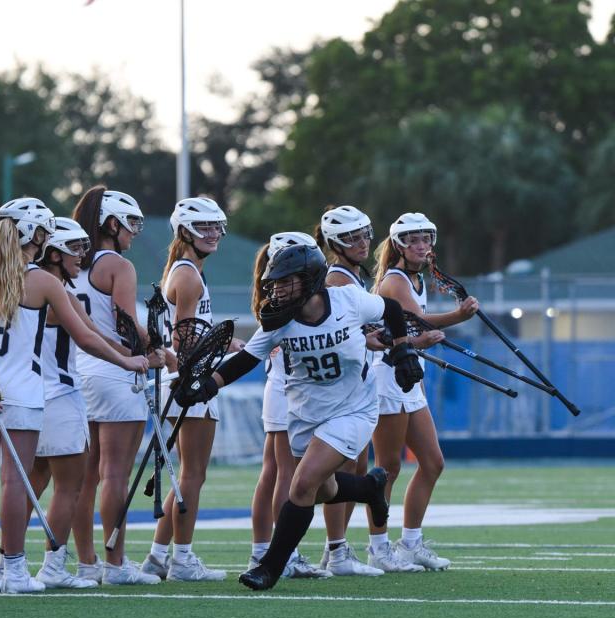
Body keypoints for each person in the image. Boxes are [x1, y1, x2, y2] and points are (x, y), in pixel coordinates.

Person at [175, 240, 424, 591]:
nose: (276, 289)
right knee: (322, 488)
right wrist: (207, 385)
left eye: (284, 281)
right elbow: (246, 360)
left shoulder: (347, 301)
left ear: (309, 278)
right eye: (273, 283)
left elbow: (393, 309)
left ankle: (270, 568)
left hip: (354, 408)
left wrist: (401, 351)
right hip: (306, 413)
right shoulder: (280, 322)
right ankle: (370, 486)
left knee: (301, 484)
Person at [0, 197, 147, 594]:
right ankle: (14, 571)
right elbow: (86, 337)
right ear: (32, 233)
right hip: (21, 392)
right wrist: (128, 362)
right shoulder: (43, 282)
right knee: (15, 484)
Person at [368, 212, 478, 571]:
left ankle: (411, 543)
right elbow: (419, 322)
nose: (421, 246)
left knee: (432, 462)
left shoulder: (415, 280)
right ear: (399, 244)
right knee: (387, 467)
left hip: (410, 378)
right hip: (388, 379)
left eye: (426, 239)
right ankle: (378, 547)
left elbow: (417, 329)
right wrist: (458, 316)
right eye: (413, 240)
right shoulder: (396, 281)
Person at [141, 197, 243, 582]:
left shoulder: (186, 272)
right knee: (192, 476)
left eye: (217, 226)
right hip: (190, 382)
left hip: (187, 380)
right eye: (205, 227)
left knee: (187, 474)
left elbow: (195, 331)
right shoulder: (187, 276)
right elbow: (184, 341)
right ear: (184, 231)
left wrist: (234, 346)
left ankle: (156, 556)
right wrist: (202, 367)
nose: (214, 233)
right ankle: (181, 559)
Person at [68, 187, 165, 586]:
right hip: (115, 372)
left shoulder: (71, 263)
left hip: (77, 373)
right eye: (130, 223)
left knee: (83, 477)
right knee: (114, 475)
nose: (134, 232)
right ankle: (116, 563)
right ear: (111, 223)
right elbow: (125, 324)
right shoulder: (119, 267)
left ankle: (86, 563)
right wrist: (157, 349)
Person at [312, 206, 397, 575]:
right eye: (351, 238)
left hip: (355, 384)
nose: (362, 243)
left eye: (364, 234)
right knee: (342, 471)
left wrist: (370, 338)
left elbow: (350, 331)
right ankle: (336, 549)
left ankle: (337, 550)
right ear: (334, 244)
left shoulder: (351, 277)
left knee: (357, 467)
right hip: (340, 390)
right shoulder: (338, 281)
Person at [246, 233, 332, 580]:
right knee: (284, 474)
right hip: (288, 391)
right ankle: (284, 552)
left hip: (278, 389)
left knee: (272, 472)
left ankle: (261, 549)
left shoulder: (273, 300)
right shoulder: (286, 304)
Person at [28, 217, 101, 589]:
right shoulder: (57, 294)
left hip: (27, 396)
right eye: (75, 248)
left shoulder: (14, 287)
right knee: (70, 485)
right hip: (60, 394)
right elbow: (92, 337)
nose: (82, 256)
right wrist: (137, 357)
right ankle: (53, 567)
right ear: (52, 252)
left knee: (30, 483)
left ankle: (5, 563)